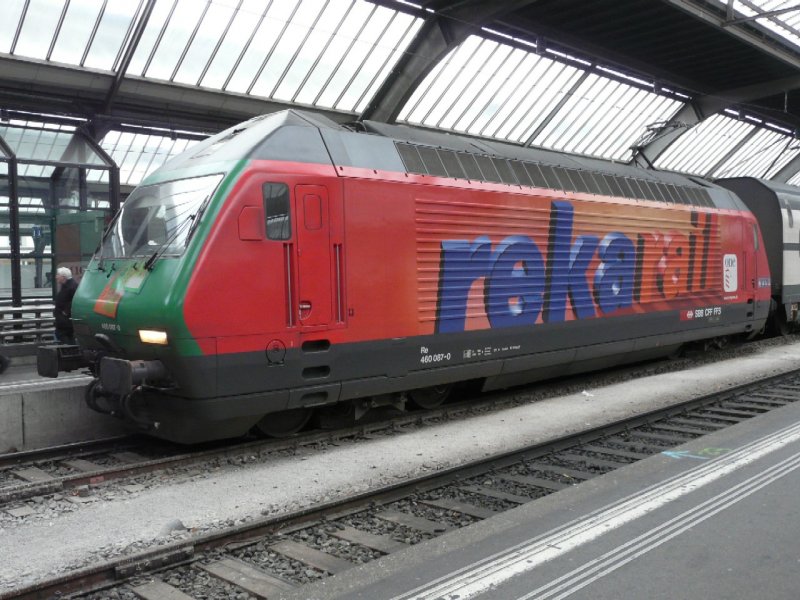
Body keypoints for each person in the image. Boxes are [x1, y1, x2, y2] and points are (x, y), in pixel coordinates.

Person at [54, 266, 78, 345]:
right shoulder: (67, 285)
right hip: (64, 320)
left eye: (58, 275)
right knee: (66, 337)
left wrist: (65, 312)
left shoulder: (71, 286)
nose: (56, 277)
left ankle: (69, 350)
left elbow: (75, 300)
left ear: (63, 277)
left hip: (65, 320)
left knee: (64, 337)